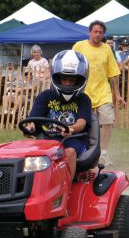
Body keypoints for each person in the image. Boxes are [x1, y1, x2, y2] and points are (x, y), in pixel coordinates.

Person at [26, 50, 92, 178]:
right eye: (63, 79)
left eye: (71, 80)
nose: (67, 83)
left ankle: (65, 190)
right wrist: (31, 127)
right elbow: (34, 119)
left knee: (69, 152)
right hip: (48, 140)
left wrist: (71, 129)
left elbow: (82, 122)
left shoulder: (83, 99)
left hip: (74, 139)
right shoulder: (44, 96)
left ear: (79, 80)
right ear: (56, 78)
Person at [73, 20, 123, 166]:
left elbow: (113, 74)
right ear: (90, 32)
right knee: (87, 124)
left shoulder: (107, 49)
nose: (97, 34)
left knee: (108, 121)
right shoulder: (79, 46)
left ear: (103, 34)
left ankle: (105, 153)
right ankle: (89, 151)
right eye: (95, 31)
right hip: (84, 92)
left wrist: (118, 94)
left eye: (100, 32)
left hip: (103, 92)